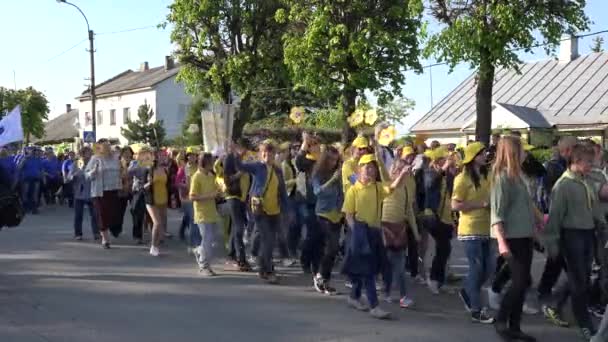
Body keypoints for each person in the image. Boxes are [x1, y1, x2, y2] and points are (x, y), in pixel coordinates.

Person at [543, 143, 603, 340]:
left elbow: (593, 207)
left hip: (587, 233)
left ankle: (553, 305)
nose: (591, 166)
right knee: (580, 282)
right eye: (588, 162)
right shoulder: (564, 185)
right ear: (575, 161)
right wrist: (552, 243)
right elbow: (555, 217)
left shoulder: (584, 181)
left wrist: (601, 223)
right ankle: (584, 323)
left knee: (582, 276)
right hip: (572, 235)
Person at [342, 152, 408, 319]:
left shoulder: (378, 188)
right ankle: (374, 306)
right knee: (369, 271)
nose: (370, 170)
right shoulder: (353, 190)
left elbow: (393, 188)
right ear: (359, 169)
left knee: (364, 269)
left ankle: (353, 297)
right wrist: (357, 232)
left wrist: (402, 175)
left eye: (372, 168)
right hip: (360, 234)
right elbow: (348, 214)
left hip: (375, 233)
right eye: (367, 167)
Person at [491, 135, 541, 342]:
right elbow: (497, 213)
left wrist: (536, 232)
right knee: (519, 282)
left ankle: (515, 327)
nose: (526, 153)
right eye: (522, 149)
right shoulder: (502, 178)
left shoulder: (518, 177)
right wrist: (501, 241)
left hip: (524, 236)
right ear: (513, 152)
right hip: (511, 238)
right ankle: (501, 320)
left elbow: (526, 208)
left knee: (521, 284)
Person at [225, 140, 288, 285]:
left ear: (274, 154)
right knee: (267, 241)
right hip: (259, 209)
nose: (267, 155)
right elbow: (240, 166)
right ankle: (267, 270)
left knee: (269, 241)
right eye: (264, 152)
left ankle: (263, 267)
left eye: (270, 153)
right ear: (261, 154)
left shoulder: (278, 170)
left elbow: (282, 192)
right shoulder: (257, 167)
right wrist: (237, 155)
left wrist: (286, 210)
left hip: (275, 210)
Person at [451, 142, 494, 324]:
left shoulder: (488, 175)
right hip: (470, 229)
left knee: (488, 269)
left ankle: (467, 290)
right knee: (477, 269)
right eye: (482, 153)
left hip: (488, 228)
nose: (485, 156)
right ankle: (477, 310)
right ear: (473, 157)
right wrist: (480, 205)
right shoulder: (462, 179)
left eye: (485, 153)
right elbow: (455, 205)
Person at [381, 158, 419, 309]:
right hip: (386, 226)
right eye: (403, 170)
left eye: (408, 171)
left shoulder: (406, 188)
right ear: (395, 170)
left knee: (400, 265)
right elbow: (392, 186)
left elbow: (409, 211)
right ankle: (387, 291)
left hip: (400, 226)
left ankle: (403, 296)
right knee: (389, 263)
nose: (407, 173)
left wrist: (416, 233)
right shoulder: (387, 182)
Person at [419, 147, 455, 295]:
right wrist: (444, 168)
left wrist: (451, 172)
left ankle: (439, 281)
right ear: (437, 160)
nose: (446, 161)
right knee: (443, 248)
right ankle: (434, 280)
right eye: (443, 159)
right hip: (434, 215)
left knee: (445, 249)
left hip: (446, 215)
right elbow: (429, 184)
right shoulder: (430, 172)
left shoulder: (444, 174)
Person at [311, 145, 343, 295]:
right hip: (323, 214)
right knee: (328, 247)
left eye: (335, 160)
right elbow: (317, 191)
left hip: (337, 214)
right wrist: (332, 180)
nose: (333, 163)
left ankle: (325, 279)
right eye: (330, 160)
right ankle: (319, 276)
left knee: (334, 249)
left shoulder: (339, 173)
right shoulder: (318, 173)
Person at [85, 139, 123, 249]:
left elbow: (121, 172)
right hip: (99, 192)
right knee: (102, 215)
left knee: (113, 214)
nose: (107, 149)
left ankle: (109, 231)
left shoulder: (115, 159)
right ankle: (105, 239)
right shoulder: (95, 159)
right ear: (100, 148)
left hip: (113, 190)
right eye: (104, 147)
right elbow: (87, 175)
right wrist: (93, 171)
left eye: (108, 146)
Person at [190, 153, 221, 276]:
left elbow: (214, 191)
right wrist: (210, 196)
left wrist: (219, 192)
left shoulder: (211, 175)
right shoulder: (196, 177)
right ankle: (204, 265)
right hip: (202, 214)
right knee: (207, 241)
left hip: (212, 212)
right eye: (211, 162)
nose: (213, 164)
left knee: (210, 241)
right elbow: (192, 196)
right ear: (206, 163)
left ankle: (199, 251)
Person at [223, 146, 253, 272]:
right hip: (233, 196)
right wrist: (242, 171)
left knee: (236, 227)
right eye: (241, 147)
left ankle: (231, 254)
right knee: (239, 227)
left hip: (243, 198)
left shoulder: (245, 159)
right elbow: (228, 179)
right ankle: (241, 259)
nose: (244, 150)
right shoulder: (230, 159)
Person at [296, 132, 321, 274]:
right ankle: (306, 260)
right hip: (307, 202)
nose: (315, 147)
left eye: (316, 144)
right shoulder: (306, 162)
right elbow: (298, 162)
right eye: (312, 145)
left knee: (319, 235)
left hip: (322, 203)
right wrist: (305, 143)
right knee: (311, 233)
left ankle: (316, 263)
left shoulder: (324, 161)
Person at [144, 150, 171, 256]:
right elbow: (143, 186)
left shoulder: (165, 169)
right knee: (157, 222)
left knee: (163, 222)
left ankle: (158, 240)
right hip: (152, 200)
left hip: (163, 198)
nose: (163, 157)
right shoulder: (149, 170)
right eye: (161, 156)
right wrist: (149, 183)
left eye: (164, 156)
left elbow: (167, 185)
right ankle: (153, 246)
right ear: (155, 157)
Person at [68, 147, 99, 240]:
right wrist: (76, 174)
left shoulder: (94, 164)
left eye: (90, 153)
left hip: (92, 192)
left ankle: (96, 233)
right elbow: (69, 177)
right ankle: (78, 233)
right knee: (78, 215)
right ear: (82, 154)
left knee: (94, 215)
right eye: (87, 153)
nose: (89, 156)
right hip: (79, 193)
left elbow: (97, 176)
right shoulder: (76, 164)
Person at [111, 147, 134, 238]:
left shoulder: (134, 163)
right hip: (121, 190)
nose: (128, 155)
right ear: (122, 154)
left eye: (129, 153)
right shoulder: (118, 163)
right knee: (119, 212)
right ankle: (116, 229)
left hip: (132, 190)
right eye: (125, 153)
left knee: (135, 211)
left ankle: (137, 234)